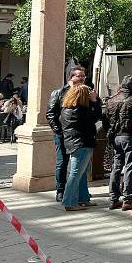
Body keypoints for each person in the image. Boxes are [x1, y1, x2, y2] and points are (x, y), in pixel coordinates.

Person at [47, 66, 87, 202]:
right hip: (63, 134)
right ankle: (60, 190)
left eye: (83, 76)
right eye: (79, 76)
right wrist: (59, 131)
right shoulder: (59, 93)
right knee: (62, 162)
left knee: (79, 164)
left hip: (78, 135)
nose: (82, 78)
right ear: (71, 77)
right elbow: (50, 114)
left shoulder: (85, 91)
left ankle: (80, 193)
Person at [59, 84, 101, 211]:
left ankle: (83, 198)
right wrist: (94, 102)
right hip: (82, 144)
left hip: (73, 144)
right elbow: (96, 116)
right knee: (76, 174)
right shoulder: (81, 110)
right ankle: (70, 202)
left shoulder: (66, 109)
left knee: (81, 173)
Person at [106, 75, 132, 211]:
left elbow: (106, 119)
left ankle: (113, 198)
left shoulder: (112, 100)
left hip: (116, 136)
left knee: (116, 167)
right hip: (129, 135)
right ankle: (127, 198)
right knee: (130, 167)